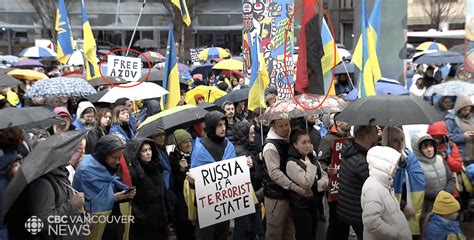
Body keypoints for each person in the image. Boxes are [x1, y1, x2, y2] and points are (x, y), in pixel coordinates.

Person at [73, 135, 136, 240]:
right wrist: (118, 197)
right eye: (114, 157)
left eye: (119, 157)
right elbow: (94, 205)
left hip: (112, 218)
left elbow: (105, 195)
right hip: (97, 225)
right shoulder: (87, 170)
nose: (118, 162)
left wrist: (122, 196)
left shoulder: (104, 167)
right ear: (103, 155)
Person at [188, 111, 237, 240]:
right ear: (211, 126)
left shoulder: (228, 145)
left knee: (223, 234)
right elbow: (194, 180)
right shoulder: (200, 148)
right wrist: (192, 182)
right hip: (207, 205)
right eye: (219, 125)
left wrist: (246, 165)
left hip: (225, 203)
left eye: (224, 124)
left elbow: (236, 174)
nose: (223, 128)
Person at [262, 118, 310, 240]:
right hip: (276, 197)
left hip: (291, 195)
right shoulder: (270, 146)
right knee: (275, 233)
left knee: (289, 231)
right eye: (281, 126)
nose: (285, 128)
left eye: (287, 124)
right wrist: (295, 187)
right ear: (273, 126)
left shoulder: (289, 139)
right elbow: (274, 173)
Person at [382, 127, 425, 239]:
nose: (400, 144)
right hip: (393, 212)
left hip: (412, 208)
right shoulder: (382, 161)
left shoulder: (409, 157)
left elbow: (419, 178)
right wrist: (403, 206)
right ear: (387, 142)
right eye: (395, 140)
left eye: (402, 139)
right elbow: (383, 192)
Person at [337, 125, 380, 239]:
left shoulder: (350, 150)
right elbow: (376, 186)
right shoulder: (361, 161)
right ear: (369, 136)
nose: (379, 133)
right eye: (376, 131)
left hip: (348, 208)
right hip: (358, 212)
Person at [361, 146, 412, 240]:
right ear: (383, 165)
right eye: (394, 164)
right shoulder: (373, 188)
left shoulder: (384, 184)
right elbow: (371, 222)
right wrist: (395, 234)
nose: (397, 167)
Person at [286, 128, 328, 240]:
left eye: (309, 142)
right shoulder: (291, 163)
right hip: (301, 207)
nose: (308, 145)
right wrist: (309, 166)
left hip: (314, 204)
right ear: (295, 145)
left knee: (314, 234)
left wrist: (318, 185)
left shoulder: (311, 157)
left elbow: (324, 176)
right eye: (303, 142)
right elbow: (307, 183)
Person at [125, 138, 170, 240]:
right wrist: (141, 218)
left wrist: (168, 214)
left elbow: (163, 194)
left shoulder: (156, 168)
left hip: (161, 220)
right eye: (144, 151)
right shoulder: (134, 173)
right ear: (138, 153)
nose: (148, 153)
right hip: (145, 226)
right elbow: (132, 200)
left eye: (149, 149)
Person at [411, 134, 456, 237]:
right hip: (428, 208)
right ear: (419, 150)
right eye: (425, 147)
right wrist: (439, 196)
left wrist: (446, 193)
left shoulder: (440, 160)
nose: (429, 149)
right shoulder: (417, 165)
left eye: (431, 146)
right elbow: (418, 188)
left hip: (445, 203)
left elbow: (451, 179)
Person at [317, 112, 351, 240]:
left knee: (346, 221)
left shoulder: (351, 139)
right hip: (334, 187)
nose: (349, 121)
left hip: (348, 186)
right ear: (338, 123)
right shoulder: (328, 140)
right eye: (346, 119)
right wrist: (327, 169)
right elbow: (320, 162)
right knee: (335, 221)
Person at [232, 121, 265, 240]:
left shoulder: (247, 149)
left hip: (252, 198)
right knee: (246, 231)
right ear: (244, 135)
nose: (254, 135)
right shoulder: (240, 153)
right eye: (251, 133)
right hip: (247, 201)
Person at [169, 129, 195, 240]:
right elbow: (175, 182)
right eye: (185, 142)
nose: (189, 144)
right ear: (178, 145)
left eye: (190, 141)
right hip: (182, 201)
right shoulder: (173, 158)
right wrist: (181, 169)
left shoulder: (195, 154)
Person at [445, 95, 474, 165]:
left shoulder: (472, 118)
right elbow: (447, 136)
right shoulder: (451, 119)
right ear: (459, 108)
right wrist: (463, 137)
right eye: (464, 110)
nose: (467, 112)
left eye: (469, 109)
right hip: (461, 156)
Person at [0, 149, 21, 239]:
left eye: (20, 164)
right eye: (16, 165)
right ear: (8, 167)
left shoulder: (13, 181)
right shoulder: (2, 185)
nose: (19, 167)